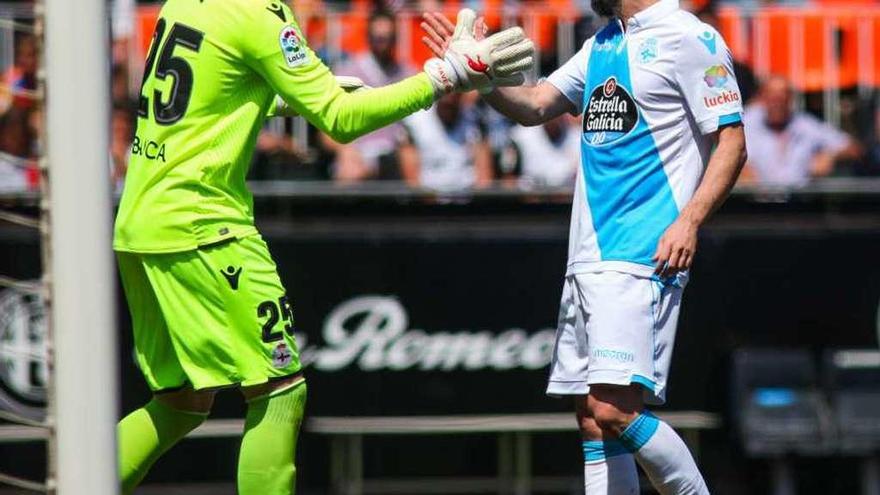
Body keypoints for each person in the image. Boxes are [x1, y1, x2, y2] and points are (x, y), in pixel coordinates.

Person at [113, 1, 534, 494]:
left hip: (140, 221)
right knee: (280, 391)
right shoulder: (259, 14)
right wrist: (449, 75)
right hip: (203, 225)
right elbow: (341, 119)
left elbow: (214, 88)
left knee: (180, 402)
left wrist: (290, 95)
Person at [422, 1, 747, 492]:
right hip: (588, 257)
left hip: (640, 253)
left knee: (614, 410)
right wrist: (479, 78)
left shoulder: (687, 37)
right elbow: (533, 105)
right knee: (592, 419)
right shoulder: (603, 41)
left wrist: (690, 221)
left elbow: (733, 141)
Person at [324, 10, 417, 182]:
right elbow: (326, 130)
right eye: (378, 38)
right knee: (348, 169)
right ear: (368, 37)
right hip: (359, 153)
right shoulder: (347, 73)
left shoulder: (409, 74)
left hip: (397, 155)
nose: (383, 44)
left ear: (395, 39)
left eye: (388, 38)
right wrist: (346, 150)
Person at [742, 75, 860, 187]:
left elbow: (854, 148)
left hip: (799, 201)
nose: (777, 103)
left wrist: (830, 156)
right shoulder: (746, 123)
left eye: (782, 97)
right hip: (755, 201)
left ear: (791, 99)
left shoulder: (807, 125)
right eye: (772, 97)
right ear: (762, 98)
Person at [399, 91, 493, 191]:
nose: (449, 99)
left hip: (468, 198)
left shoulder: (475, 120)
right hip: (427, 199)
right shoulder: (413, 122)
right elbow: (412, 180)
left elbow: (484, 177)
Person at [510, 114, 580, 188]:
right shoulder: (520, 137)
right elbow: (507, 181)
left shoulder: (578, 138)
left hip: (567, 197)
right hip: (529, 196)